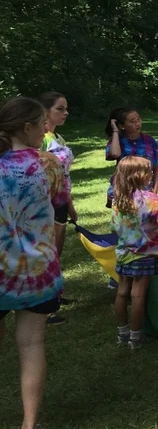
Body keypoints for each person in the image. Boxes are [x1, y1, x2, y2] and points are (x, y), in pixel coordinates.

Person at [0, 97, 62, 429]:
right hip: (37, 272)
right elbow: (58, 201)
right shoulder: (48, 164)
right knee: (32, 345)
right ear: (27, 127)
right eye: (41, 123)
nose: (45, 129)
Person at [111, 157, 158, 349]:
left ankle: (122, 333)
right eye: (148, 171)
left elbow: (114, 227)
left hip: (124, 252)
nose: (152, 174)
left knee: (122, 292)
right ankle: (136, 338)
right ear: (137, 175)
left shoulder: (118, 199)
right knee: (137, 295)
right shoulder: (150, 199)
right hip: (145, 252)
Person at [39, 92, 74, 325]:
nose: (65, 113)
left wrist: (69, 203)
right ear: (45, 111)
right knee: (47, 253)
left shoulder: (58, 137)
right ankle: (46, 308)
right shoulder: (41, 138)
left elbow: (64, 175)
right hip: (46, 204)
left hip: (60, 201)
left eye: (66, 109)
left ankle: (55, 295)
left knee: (56, 253)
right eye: (60, 109)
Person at [105, 107, 158, 209]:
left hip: (146, 190)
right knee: (124, 218)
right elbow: (114, 154)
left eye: (138, 119)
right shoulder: (117, 141)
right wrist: (115, 131)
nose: (137, 123)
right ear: (122, 126)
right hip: (122, 191)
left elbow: (157, 169)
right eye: (132, 121)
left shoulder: (149, 141)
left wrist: (154, 193)